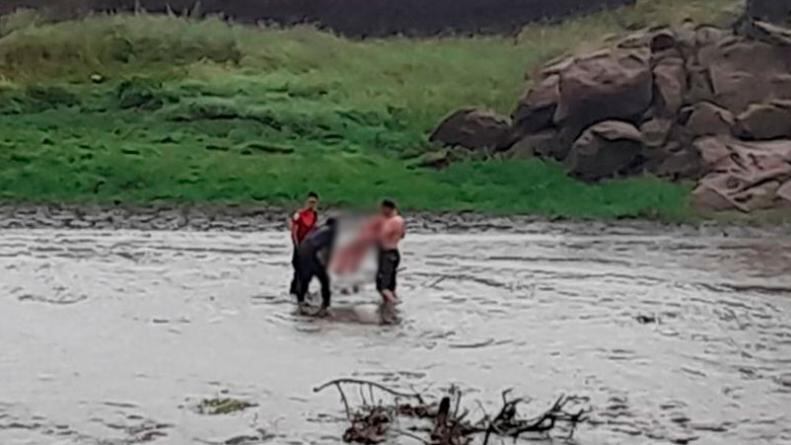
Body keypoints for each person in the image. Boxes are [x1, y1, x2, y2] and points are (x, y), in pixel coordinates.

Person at [295, 217, 338, 316]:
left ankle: (300, 302)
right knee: (324, 280)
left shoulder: (319, 229)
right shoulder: (332, 232)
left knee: (305, 278)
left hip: (302, 251)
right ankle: (326, 306)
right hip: (312, 253)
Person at [374, 199, 406, 306]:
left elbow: (380, 235)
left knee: (383, 286)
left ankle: (393, 305)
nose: (381, 211)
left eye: (382, 209)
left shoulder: (392, 221)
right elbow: (402, 235)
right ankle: (389, 307)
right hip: (394, 252)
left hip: (386, 254)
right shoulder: (400, 220)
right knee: (391, 284)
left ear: (388, 208)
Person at [288, 192, 319, 296]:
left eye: (314, 203)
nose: (312, 205)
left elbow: (313, 230)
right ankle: (295, 292)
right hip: (300, 247)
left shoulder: (314, 215)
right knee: (298, 270)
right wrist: (297, 247)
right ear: (306, 202)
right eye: (310, 202)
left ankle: (303, 291)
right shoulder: (299, 215)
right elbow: (294, 232)